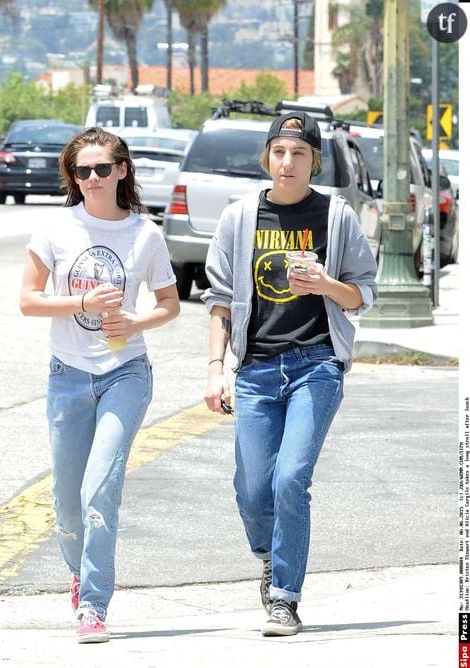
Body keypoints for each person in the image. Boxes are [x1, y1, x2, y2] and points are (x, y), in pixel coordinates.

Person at [203, 111, 377, 637]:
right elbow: (217, 301)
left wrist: (326, 284)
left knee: (290, 479)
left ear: (314, 161)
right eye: (280, 152)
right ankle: (270, 555)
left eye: (299, 154)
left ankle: (284, 597)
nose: (288, 162)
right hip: (255, 370)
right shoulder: (239, 218)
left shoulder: (336, 216)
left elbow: (363, 293)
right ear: (268, 158)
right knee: (253, 490)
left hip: (315, 366)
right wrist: (216, 369)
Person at [20, 127, 180, 644]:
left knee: (98, 490)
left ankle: (93, 605)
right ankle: (77, 571)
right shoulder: (56, 228)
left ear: (122, 172)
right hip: (67, 374)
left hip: (125, 373)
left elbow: (169, 305)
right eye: (81, 171)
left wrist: (135, 323)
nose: (91, 179)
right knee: (66, 501)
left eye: (101, 169)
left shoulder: (145, 234)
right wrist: (83, 305)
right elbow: (28, 300)